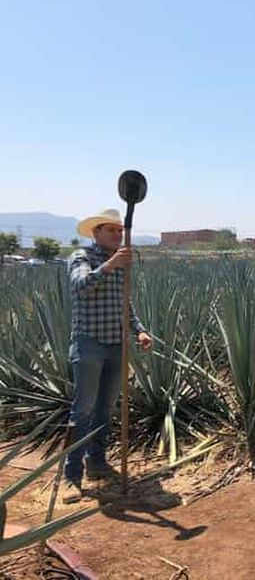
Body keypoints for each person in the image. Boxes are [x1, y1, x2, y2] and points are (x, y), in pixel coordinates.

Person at [62, 208, 152, 504]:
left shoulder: (122, 264)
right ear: (96, 233)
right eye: (111, 230)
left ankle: (96, 464)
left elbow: (124, 303)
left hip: (117, 345)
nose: (118, 235)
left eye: (120, 230)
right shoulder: (81, 257)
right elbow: (80, 287)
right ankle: (71, 477)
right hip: (89, 344)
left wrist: (138, 330)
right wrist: (111, 265)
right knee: (83, 410)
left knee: (105, 408)